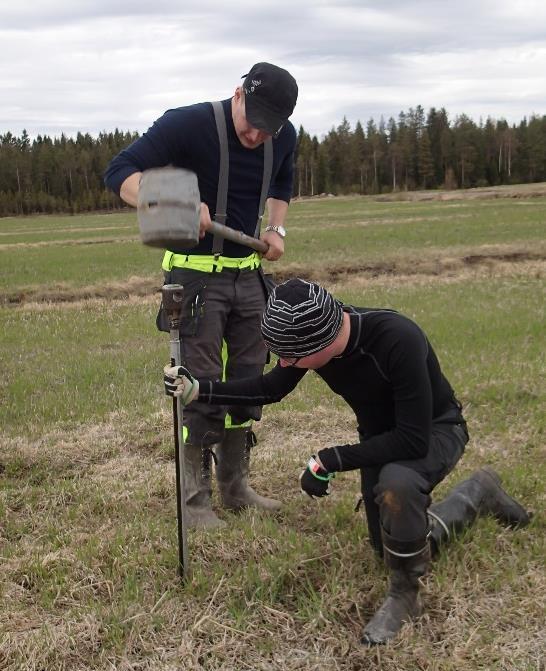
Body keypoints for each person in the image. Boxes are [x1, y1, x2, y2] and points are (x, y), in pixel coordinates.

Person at [163, 278, 531, 645]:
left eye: (291, 356)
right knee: (389, 547)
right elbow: (271, 387)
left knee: (397, 485)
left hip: (434, 430)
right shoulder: (311, 333)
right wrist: (199, 389)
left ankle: (406, 595)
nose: (286, 363)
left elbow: (412, 439)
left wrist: (330, 460)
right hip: (380, 437)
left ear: (321, 342)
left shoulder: (398, 337)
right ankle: (478, 492)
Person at [105, 63, 298, 530]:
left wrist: (275, 228)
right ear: (237, 95)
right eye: (251, 122)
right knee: (200, 387)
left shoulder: (284, 135)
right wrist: (172, 201)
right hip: (195, 280)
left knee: (248, 383)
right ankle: (194, 503)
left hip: (249, 279)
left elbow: (283, 181)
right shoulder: (187, 123)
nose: (256, 135)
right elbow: (119, 172)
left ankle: (236, 488)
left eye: (266, 129)